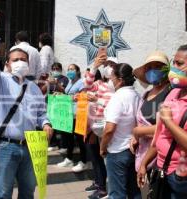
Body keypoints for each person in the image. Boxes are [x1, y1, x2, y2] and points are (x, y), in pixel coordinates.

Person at [0, 14, 53, 199]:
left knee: (28, 192)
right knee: (4, 193)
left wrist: (46, 123)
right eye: (15, 60)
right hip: (6, 147)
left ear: (29, 64)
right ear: (7, 64)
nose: (20, 62)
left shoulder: (34, 88)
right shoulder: (0, 82)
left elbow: (41, 113)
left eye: (24, 59)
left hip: (31, 147)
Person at [138, 40, 187, 199]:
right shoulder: (174, 93)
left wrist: (169, 122)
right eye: (173, 63)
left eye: (179, 64)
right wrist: (144, 163)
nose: (173, 68)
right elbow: (161, 135)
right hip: (164, 175)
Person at [100, 63, 141, 199]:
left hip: (117, 151)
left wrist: (103, 147)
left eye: (112, 78)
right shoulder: (137, 95)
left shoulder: (118, 98)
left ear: (120, 80)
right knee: (133, 191)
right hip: (132, 148)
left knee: (117, 194)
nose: (110, 81)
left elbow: (109, 129)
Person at [130, 51, 171, 173]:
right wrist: (135, 136)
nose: (153, 70)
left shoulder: (170, 93)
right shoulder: (146, 94)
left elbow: (170, 127)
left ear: (166, 71)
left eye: (158, 67)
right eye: (149, 67)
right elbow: (140, 121)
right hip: (142, 152)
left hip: (159, 158)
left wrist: (139, 131)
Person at [83, 55, 117, 199]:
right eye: (106, 64)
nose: (109, 67)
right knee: (102, 159)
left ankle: (112, 191)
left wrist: (98, 100)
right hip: (97, 128)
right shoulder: (100, 84)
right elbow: (88, 85)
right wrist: (94, 66)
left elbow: (115, 104)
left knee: (110, 160)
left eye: (112, 65)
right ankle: (106, 189)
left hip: (112, 127)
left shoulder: (118, 85)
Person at [56, 64, 88, 172]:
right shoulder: (69, 82)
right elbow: (68, 95)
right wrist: (60, 95)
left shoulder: (81, 82)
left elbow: (83, 96)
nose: (70, 71)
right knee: (68, 138)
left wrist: (72, 97)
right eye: (68, 69)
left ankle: (84, 161)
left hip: (78, 114)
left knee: (80, 139)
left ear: (77, 71)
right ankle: (69, 158)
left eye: (72, 69)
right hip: (68, 114)